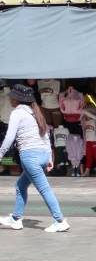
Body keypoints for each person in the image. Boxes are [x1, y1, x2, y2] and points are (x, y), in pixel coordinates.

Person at [0, 84, 69, 233]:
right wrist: (50, 158)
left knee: (44, 189)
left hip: (30, 156)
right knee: (20, 185)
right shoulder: (34, 113)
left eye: (12, 96)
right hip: (42, 155)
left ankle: (60, 220)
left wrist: (0, 154)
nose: (10, 98)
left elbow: (9, 137)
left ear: (16, 99)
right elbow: (45, 136)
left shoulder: (17, 113)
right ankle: (16, 219)